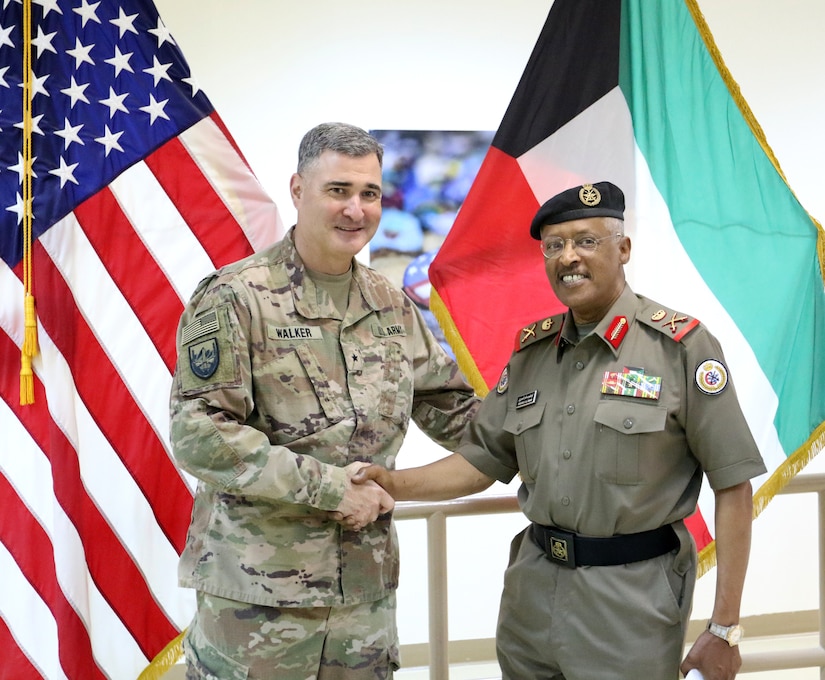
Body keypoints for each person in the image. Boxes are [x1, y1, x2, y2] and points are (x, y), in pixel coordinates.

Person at [354, 181, 767, 680]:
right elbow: (481, 460)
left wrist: (725, 627)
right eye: (554, 246)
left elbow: (733, 484)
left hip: (630, 605)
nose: (568, 257)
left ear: (623, 249)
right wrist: (393, 484)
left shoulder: (681, 349)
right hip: (532, 595)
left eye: (586, 241)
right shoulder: (532, 353)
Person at [168, 122, 480, 680]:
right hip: (258, 608)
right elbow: (201, 432)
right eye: (338, 190)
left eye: (369, 193)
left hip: (363, 603)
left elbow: (454, 410)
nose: (355, 210)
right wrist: (332, 488)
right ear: (297, 189)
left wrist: (551, 422)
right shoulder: (236, 297)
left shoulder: (390, 305)